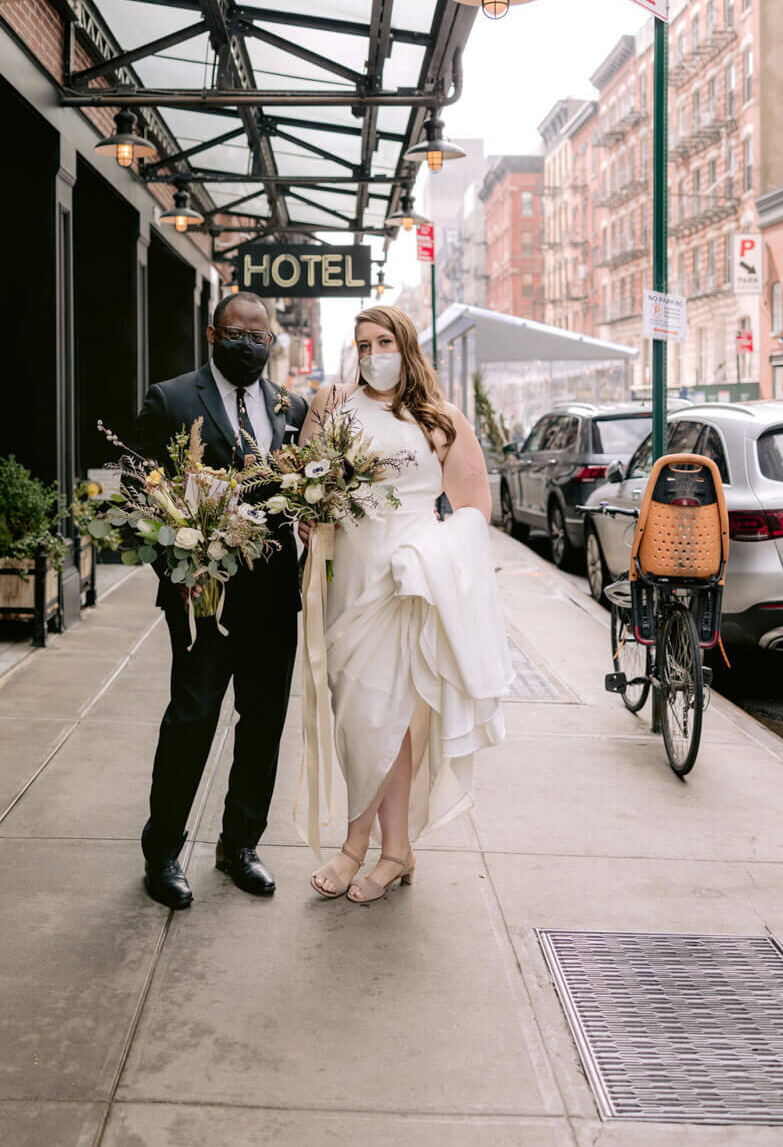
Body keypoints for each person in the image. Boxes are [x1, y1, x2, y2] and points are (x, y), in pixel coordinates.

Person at [302, 304, 513, 904]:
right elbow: (308, 488)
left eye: (383, 342)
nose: (372, 355)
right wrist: (310, 518)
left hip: (408, 586)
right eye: (362, 344)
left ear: (406, 346)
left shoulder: (440, 419)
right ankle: (395, 849)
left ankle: (360, 849)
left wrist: (426, 555)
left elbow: (474, 513)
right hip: (351, 581)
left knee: (387, 720)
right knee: (357, 720)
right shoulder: (333, 404)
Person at [132, 292, 308, 910]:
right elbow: (141, 499)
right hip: (201, 596)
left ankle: (240, 847)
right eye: (238, 334)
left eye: (260, 338)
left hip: (274, 596)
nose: (250, 345)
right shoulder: (171, 398)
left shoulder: (293, 406)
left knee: (263, 725)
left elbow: (299, 494)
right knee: (191, 720)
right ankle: (163, 853)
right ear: (213, 335)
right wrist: (175, 565)